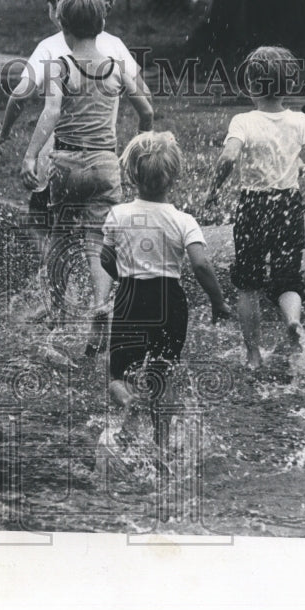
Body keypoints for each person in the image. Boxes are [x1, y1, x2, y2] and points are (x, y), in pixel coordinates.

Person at [21, 0, 154, 353]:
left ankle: (58, 316)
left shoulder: (59, 67)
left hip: (65, 164)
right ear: (103, 23)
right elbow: (147, 110)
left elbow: (51, 113)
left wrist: (31, 156)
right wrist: (140, 144)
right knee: (99, 240)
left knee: (60, 236)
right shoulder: (116, 68)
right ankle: (100, 304)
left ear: (63, 24)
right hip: (105, 163)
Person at [0, 0, 150, 243]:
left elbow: (19, 95)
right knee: (97, 233)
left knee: (50, 227)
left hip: (57, 160)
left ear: (58, 8)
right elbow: (144, 95)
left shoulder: (49, 47)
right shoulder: (114, 45)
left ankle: (50, 267)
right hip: (103, 157)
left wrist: (4, 132)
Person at [206, 45, 305, 370]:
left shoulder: (244, 121)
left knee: (248, 284)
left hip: (254, 205)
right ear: (290, 85)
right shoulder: (300, 121)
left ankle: (253, 355)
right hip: (288, 204)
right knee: (288, 278)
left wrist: (213, 189)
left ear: (250, 85)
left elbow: (229, 157)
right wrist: (300, 170)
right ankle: (293, 322)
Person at [101, 131, 231, 427]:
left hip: (131, 297)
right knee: (164, 375)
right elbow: (201, 265)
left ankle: (129, 402)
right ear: (174, 176)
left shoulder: (118, 215)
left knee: (118, 375)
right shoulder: (184, 221)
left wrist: (123, 278)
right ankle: (162, 445)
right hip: (170, 301)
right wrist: (218, 301)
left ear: (131, 175)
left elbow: (105, 258)